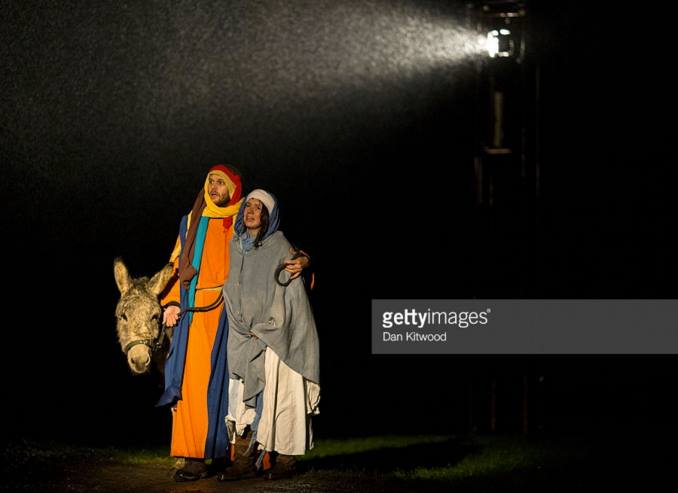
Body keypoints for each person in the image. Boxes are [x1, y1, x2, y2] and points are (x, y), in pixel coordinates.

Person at [157, 165, 309, 482]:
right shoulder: (191, 223)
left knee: (243, 386)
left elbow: (278, 253)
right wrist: (171, 300)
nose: (214, 187)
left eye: (221, 183)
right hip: (199, 312)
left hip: (241, 316)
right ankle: (195, 456)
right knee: (195, 386)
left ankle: (246, 456)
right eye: (210, 181)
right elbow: (176, 264)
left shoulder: (245, 221)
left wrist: (305, 260)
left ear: (233, 189)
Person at [219, 189, 320, 481]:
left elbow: (295, 274)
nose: (250, 211)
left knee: (282, 393)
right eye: (247, 206)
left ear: (268, 216)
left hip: (276, 333)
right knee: (240, 394)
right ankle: (244, 460)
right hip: (242, 334)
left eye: (258, 208)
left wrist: (305, 260)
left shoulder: (278, 243)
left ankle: (286, 460)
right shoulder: (235, 245)